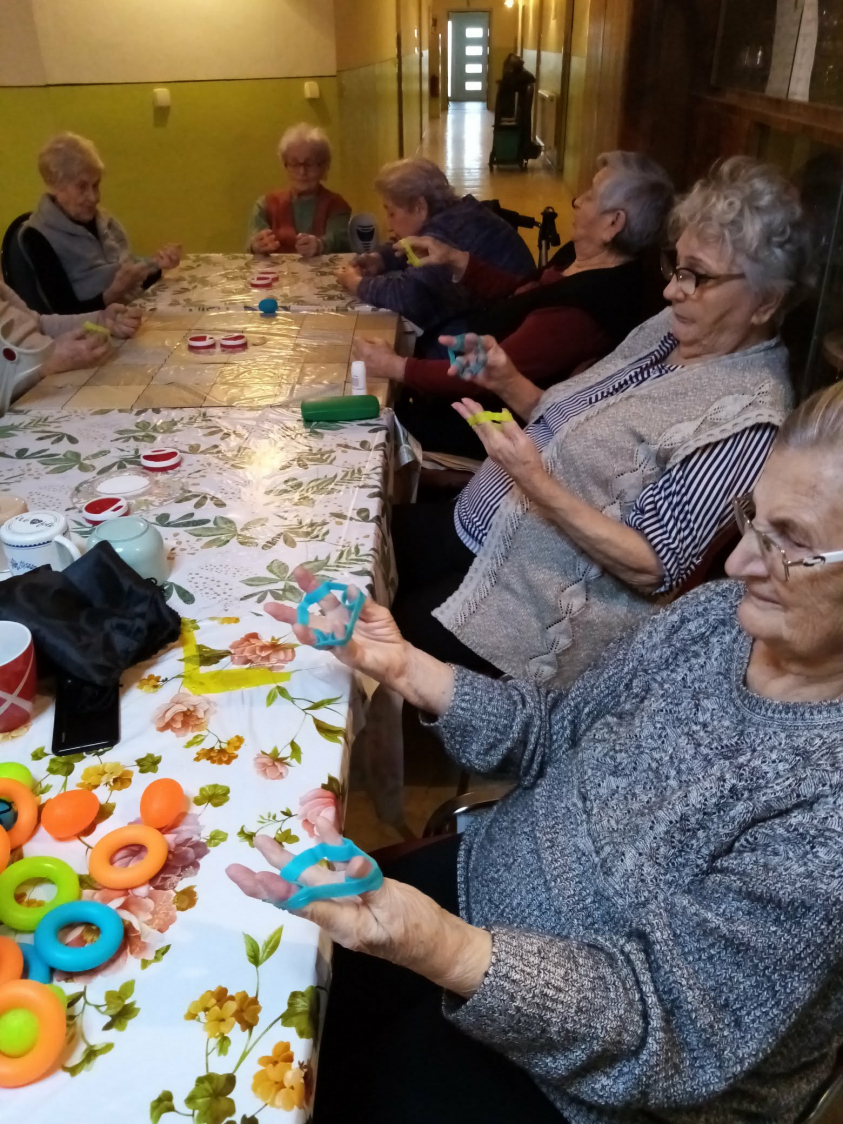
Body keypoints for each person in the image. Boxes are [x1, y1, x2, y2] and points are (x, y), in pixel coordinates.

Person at [231, 383, 843, 1122]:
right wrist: (402, 665)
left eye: (790, 543)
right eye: (752, 519)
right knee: (256, 982)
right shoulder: (716, 620)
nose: (739, 562)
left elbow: (668, 1030)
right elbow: (557, 734)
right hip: (482, 893)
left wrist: (440, 948)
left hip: (600, 1080)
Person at [372, 156, 810, 689]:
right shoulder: (668, 331)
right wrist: (504, 379)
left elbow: (654, 566)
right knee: (354, 547)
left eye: (698, 276)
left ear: (765, 301)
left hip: (518, 604)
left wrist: (533, 480)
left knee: (362, 642)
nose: (673, 290)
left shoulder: (749, 418)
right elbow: (576, 426)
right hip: (478, 528)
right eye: (676, 268)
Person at [352, 152, 674, 457]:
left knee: (371, 426)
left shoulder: (586, 307)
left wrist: (397, 366)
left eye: (590, 196)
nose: (577, 201)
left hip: (489, 424)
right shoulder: (581, 258)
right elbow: (522, 293)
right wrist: (454, 259)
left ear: (613, 223)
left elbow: (486, 371)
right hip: (473, 378)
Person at [336, 157, 536, 334]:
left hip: (509, 329)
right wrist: (380, 259)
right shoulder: (457, 213)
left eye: (391, 213)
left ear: (420, 207)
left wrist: (356, 283)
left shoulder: (446, 233)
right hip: (513, 314)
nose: (388, 225)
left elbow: (409, 298)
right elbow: (412, 250)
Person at [17, 132, 180, 314]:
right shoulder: (37, 237)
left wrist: (157, 265)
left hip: (129, 315)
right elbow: (63, 315)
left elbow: (129, 279)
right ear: (55, 185)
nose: (94, 197)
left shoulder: (103, 220)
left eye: (96, 185)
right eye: (82, 187)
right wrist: (114, 292)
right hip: (91, 328)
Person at [0, 279, 140, 401]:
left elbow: (38, 323)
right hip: (27, 402)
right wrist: (44, 366)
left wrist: (99, 321)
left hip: (56, 381)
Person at [247, 124, 351, 257]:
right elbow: (252, 245)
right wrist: (256, 246)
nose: (302, 172)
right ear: (285, 166)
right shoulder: (265, 205)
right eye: (294, 164)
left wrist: (321, 245)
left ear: (324, 167)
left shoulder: (336, 205)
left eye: (310, 163)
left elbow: (341, 241)